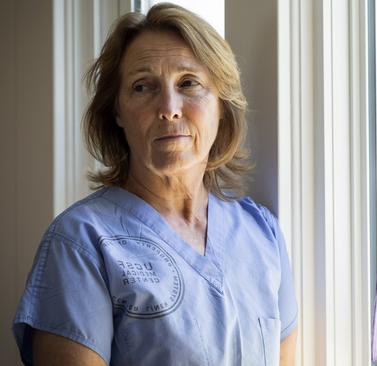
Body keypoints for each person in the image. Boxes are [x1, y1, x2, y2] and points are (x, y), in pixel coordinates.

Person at [12, 3, 298, 365]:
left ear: (221, 105)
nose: (168, 107)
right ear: (116, 111)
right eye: (142, 86)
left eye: (189, 83)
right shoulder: (80, 243)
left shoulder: (262, 234)